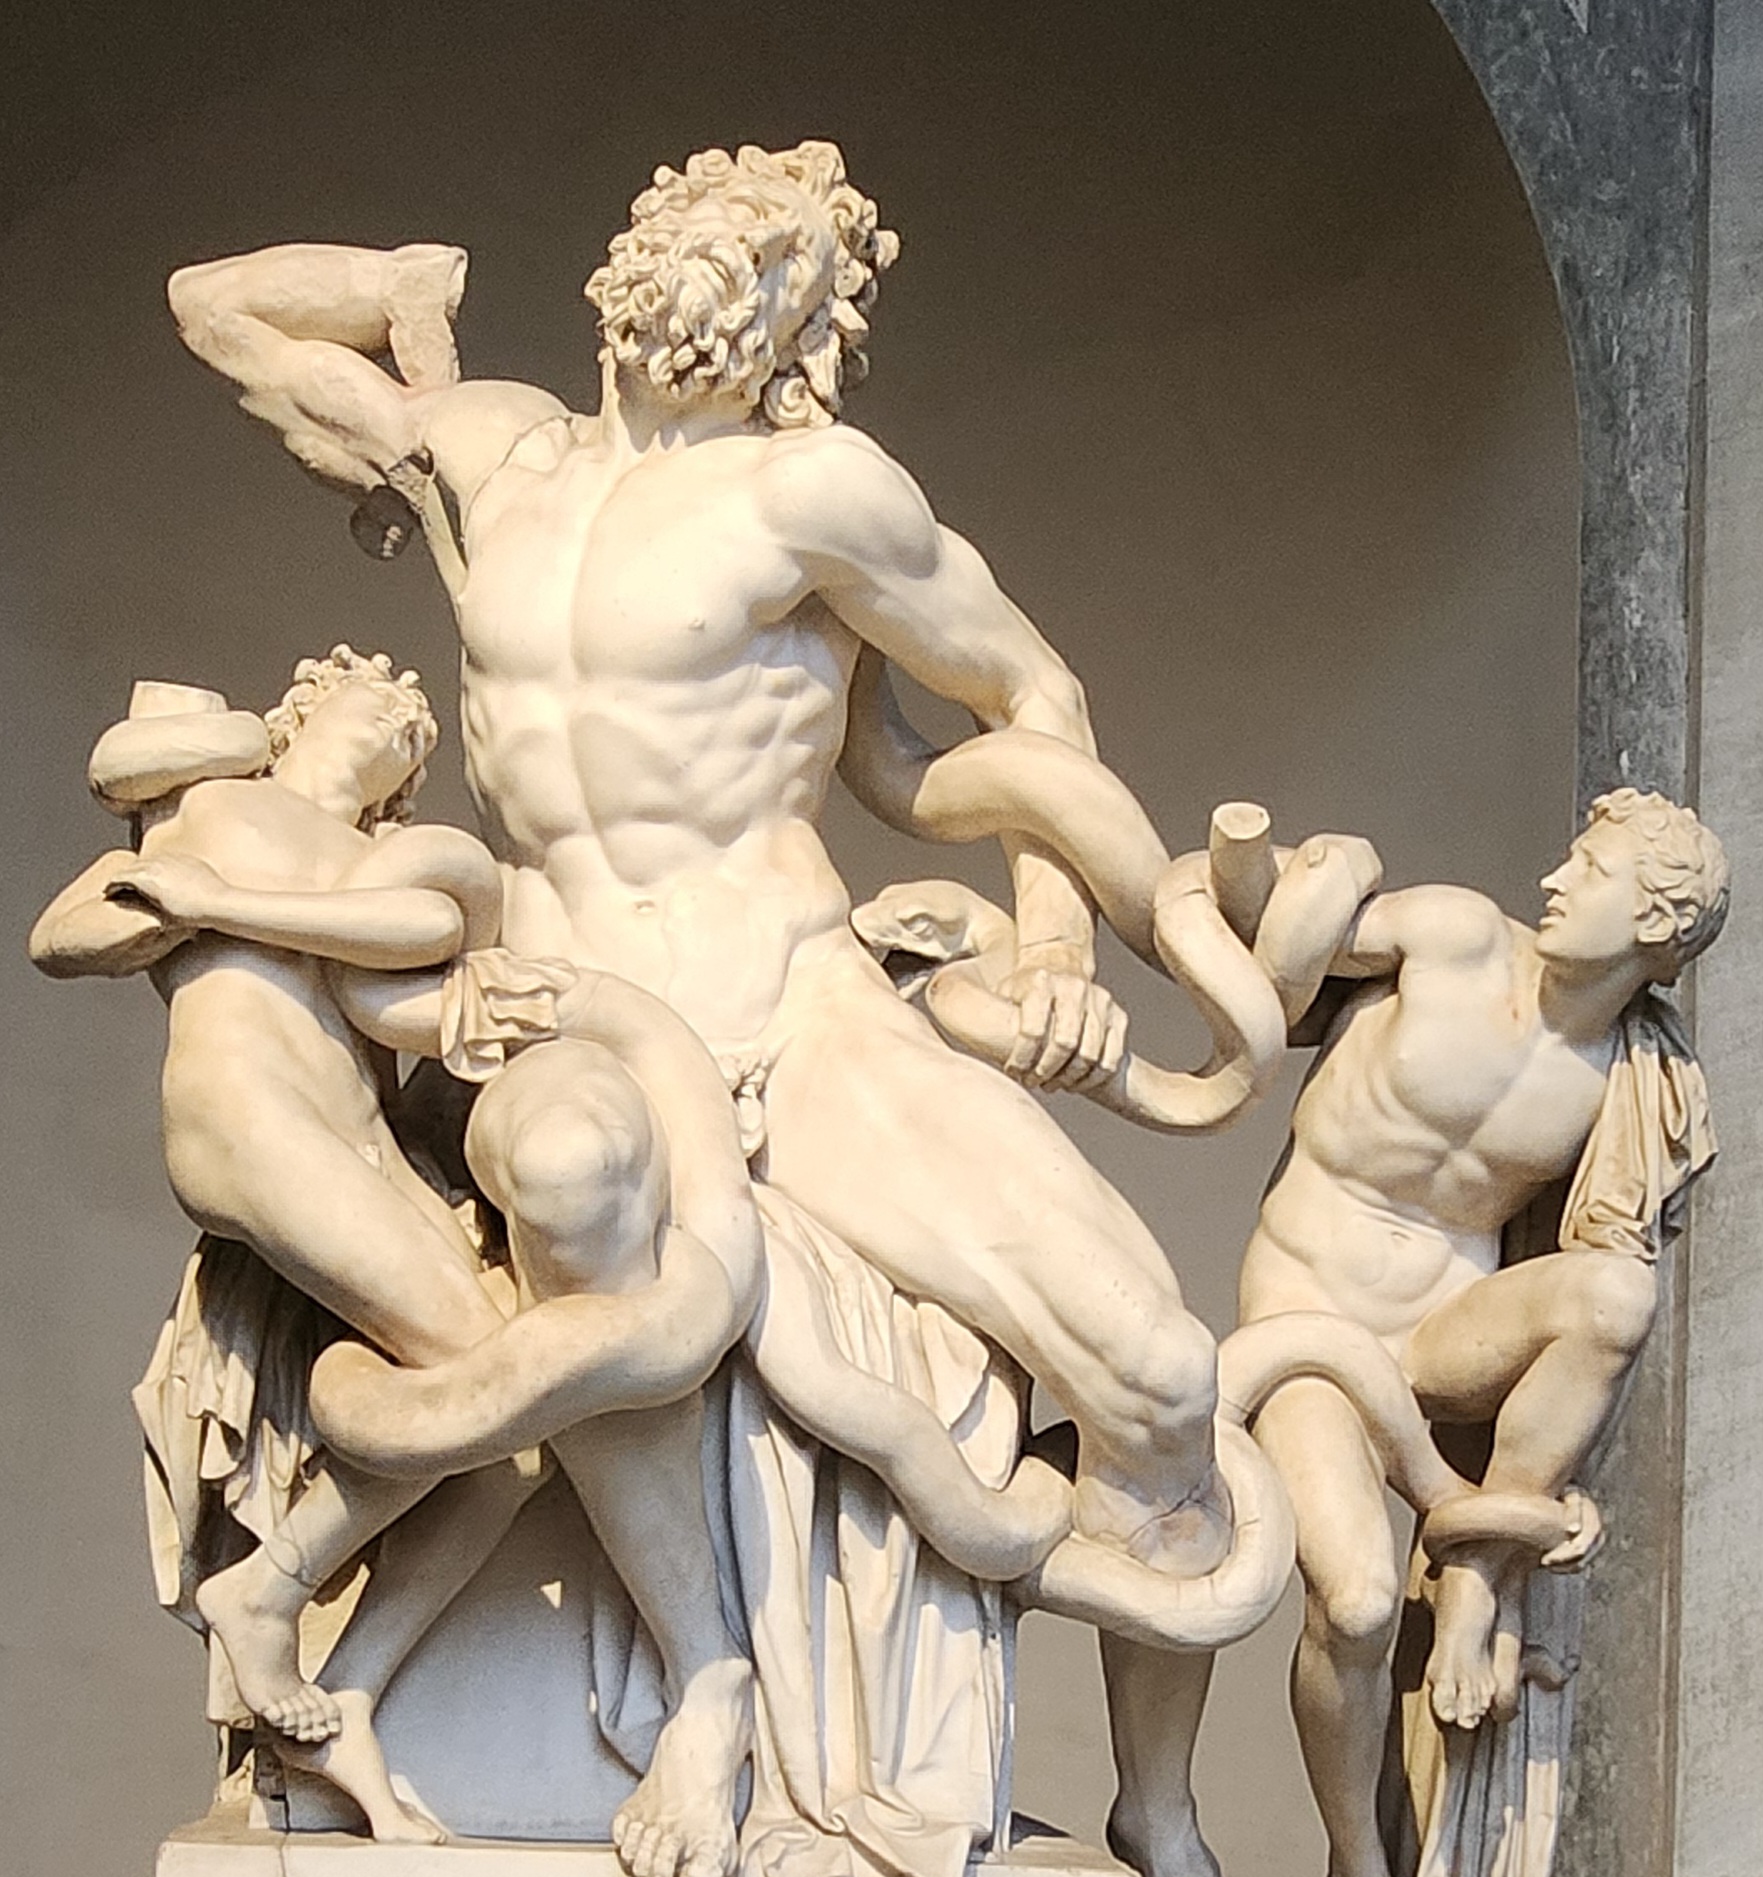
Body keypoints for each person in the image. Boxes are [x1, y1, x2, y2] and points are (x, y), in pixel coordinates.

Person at [167, 144, 1269, 1649]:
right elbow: (217, 310)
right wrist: (400, 290)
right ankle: (702, 1679)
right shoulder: (489, 453)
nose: (733, 253)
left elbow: (1030, 691)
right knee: (569, 1188)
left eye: (780, 252)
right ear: (631, 249)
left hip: (792, 1008)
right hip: (565, 1011)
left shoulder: (814, 490)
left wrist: (1059, 944)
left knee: (1159, 1374)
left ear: (807, 334)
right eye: (710, 216)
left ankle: (1125, 1740)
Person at [32, 650, 761, 1877]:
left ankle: (347, 1690)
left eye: (418, 734)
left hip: (357, 1148)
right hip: (250, 1125)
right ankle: (269, 1591)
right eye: (385, 705)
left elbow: (426, 936)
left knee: (505, 1442)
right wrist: (180, 893)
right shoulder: (209, 805)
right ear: (304, 710)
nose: (403, 732)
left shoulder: (396, 861)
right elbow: (67, 935)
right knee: (498, 1382)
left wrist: (221, 904)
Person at [1104, 790, 1727, 1877]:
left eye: (1590, 869)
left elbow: (1603, 1271)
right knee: (1347, 1603)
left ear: (1652, 925)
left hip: (1441, 1335)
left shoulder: (1628, 1080)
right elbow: (1267, 958)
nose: (1554, 879)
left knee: (1612, 1293)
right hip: (1307, 1324)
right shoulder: (1450, 935)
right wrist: (1312, 869)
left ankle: (1478, 1568)